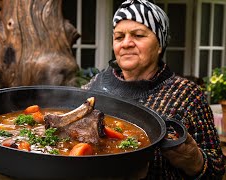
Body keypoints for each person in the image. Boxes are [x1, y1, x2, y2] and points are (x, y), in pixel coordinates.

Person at [82, 0, 225, 179]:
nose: (126, 43)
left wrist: (194, 160)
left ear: (159, 45)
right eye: (119, 37)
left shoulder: (188, 95)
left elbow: (217, 171)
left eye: (138, 35)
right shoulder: (93, 87)